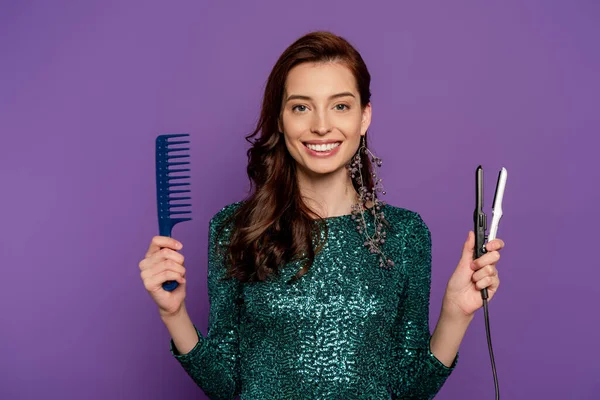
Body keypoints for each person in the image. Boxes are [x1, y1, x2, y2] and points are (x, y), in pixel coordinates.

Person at [138, 31, 504, 399]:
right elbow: (224, 385)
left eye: (340, 106)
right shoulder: (235, 229)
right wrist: (174, 313)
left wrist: (457, 313)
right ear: (280, 120)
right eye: (301, 107)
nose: (321, 125)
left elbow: (409, 390)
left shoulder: (404, 234)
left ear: (365, 117)